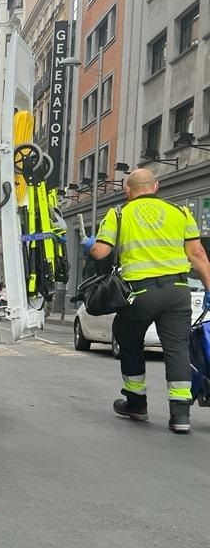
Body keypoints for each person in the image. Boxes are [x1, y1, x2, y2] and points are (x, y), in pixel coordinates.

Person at [85, 169, 210, 433]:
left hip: (138, 294)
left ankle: (136, 403)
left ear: (127, 191)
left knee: (128, 339)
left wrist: (89, 245)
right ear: (155, 186)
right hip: (177, 291)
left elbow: (100, 252)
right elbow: (197, 254)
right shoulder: (181, 212)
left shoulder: (119, 214)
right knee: (177, 348)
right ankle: (180, 416)